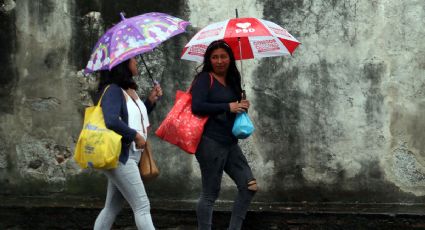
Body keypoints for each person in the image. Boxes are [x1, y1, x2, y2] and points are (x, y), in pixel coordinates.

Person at [191, 40, 258, 230]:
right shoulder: (205, 78)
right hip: (209, 142)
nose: (219, 61)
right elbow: (197, 106)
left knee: (249, 186)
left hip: (230, 142)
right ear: (209, 59)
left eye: (223, 56)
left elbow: (234, 109)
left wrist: (242, 106)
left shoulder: (232, 80)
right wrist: (227, 106)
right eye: (215, 57)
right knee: (210, 194)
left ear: (230, 58)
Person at [93, 57, 163, 230]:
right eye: (133, 60)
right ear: (124, 64)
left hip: (131, 155)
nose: (136, 63)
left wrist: (150, 101)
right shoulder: (113, 91)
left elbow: (132, 118)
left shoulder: (129, 90)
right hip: (121, 155)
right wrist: (135, 136)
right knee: (142, 206)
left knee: (112, 207)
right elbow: (111, 120)